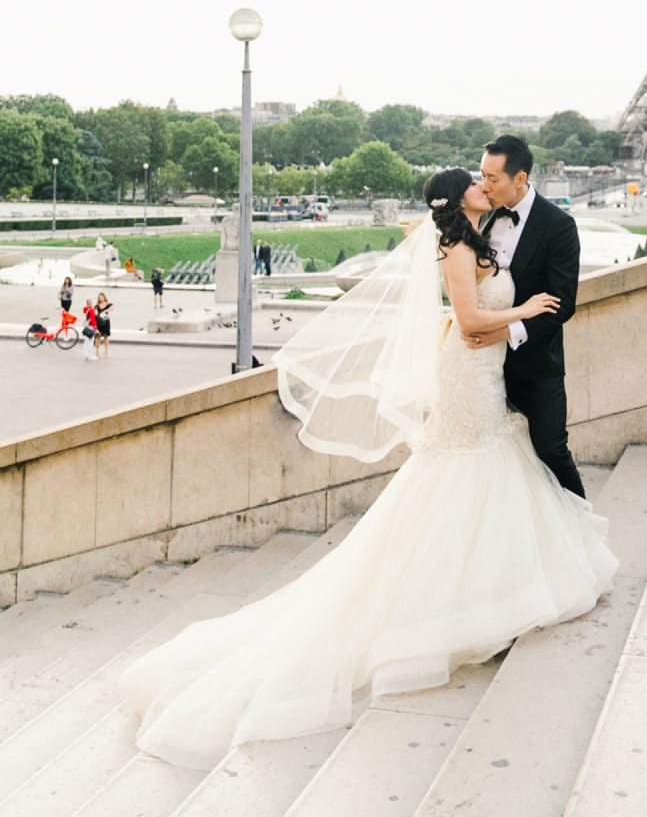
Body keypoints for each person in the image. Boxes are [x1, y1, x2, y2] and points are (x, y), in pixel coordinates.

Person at [119, 166, 616, 771]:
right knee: (464, 475)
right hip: (469, 375)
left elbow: (461, 315)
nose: (487, 187)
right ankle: (468, 598)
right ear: (461, 197)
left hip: (482, 374)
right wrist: (524, 311)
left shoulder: (473, 239)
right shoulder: (458, 246)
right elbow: (467, 320)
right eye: (478, 183)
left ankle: (480, 590)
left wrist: (501, 318)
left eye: (491, 178)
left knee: (479, 477)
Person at [477, 135, 585, 497]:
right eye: (482, 175)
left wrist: (508, 332)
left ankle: (582, 533)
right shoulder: (483, 216)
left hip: (537, 365)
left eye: (493, 178)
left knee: (551, 449)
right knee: (493, 457)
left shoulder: (559, 226)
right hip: (484, 364)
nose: (484, 185)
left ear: (519, 179)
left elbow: (562, 303)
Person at [94, 292, 113, 358]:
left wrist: (105, 311)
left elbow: (112, 308)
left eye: (101, 297)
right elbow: (95, 314)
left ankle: (106, 350)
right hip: (99, 322)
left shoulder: (108, 304)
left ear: (104, 297)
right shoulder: (96, 305)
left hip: (106, 322)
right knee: (97, 337)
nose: (100, 298)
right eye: (99, 298)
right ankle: (97, 350)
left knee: (106, 336)